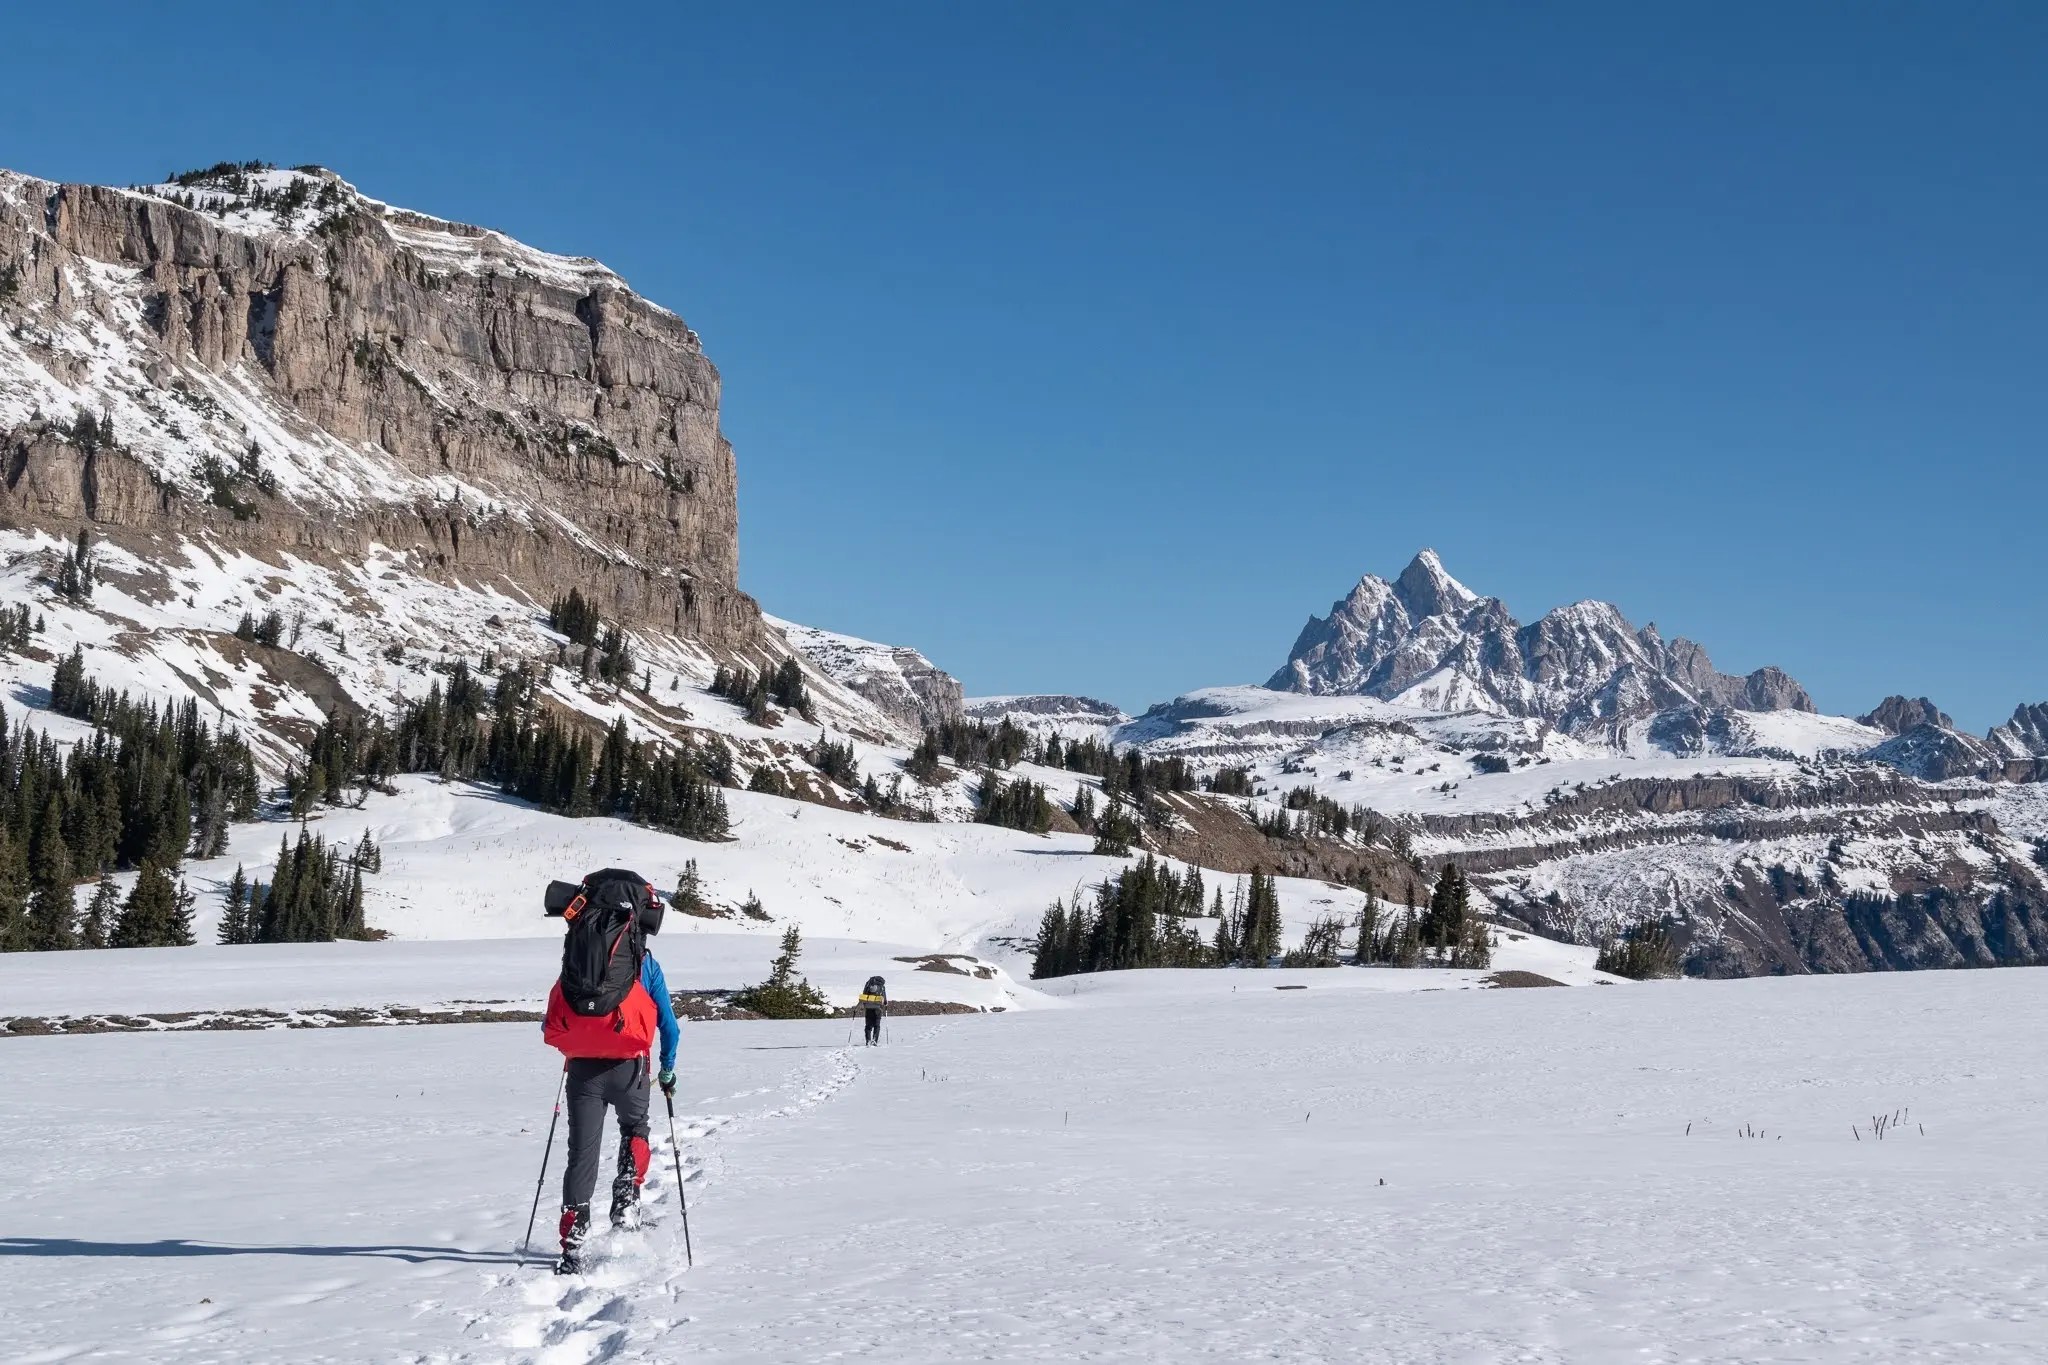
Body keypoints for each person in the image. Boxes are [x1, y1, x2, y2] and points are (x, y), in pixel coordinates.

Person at [542, 871, 681, 1275]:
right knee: (635, 1129)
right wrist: (668, 1071)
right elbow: (669, 1027)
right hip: (630, 1067)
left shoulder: (577, 959)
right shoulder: (646, 965)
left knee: (581, 1153)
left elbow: (554, 1017)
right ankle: (626, 1201)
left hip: (582, 1070)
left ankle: (572, 1245)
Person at [859, 974, 887, 1046]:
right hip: (878, 1008)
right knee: (877, 1026)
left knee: (868, 1026)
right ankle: (874, 1041)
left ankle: (868, 1041)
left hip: (868, 1007)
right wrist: (885, 1004)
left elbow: (864, 995)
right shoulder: (882, 987)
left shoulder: (868, 985)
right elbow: (884, 997)